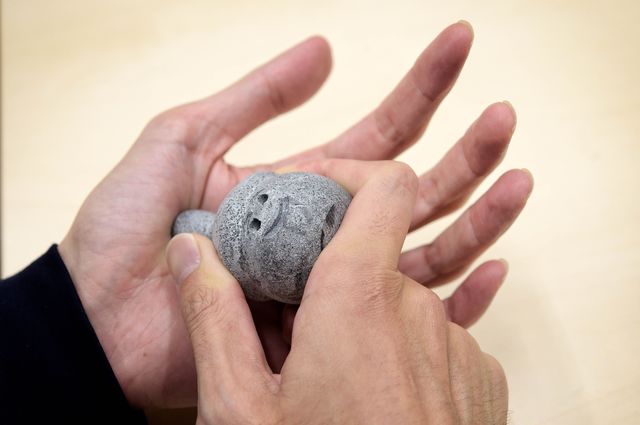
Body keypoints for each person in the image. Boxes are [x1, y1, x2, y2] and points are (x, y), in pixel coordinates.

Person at [0, 21, 532, 423]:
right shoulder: (220, 236)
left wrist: (65, 325)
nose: (267, 213)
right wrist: (73, 319)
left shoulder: (238, 244)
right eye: (263, 199)